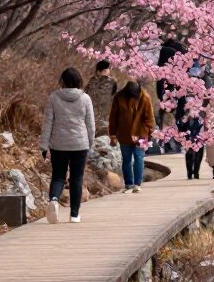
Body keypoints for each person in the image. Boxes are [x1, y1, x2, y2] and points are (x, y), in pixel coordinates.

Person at [41, 67, 96, 223]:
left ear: (62, 81)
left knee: (58, 176)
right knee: (76, 178)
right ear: (79, 81)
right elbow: (91, 125)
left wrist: (44, 145)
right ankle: (74, 214)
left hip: (58, 144)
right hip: (80, 144)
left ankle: (53, 199)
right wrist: (89, 142)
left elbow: (47, 123)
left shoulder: (53, 98)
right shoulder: (85, 98)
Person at [108, 79, 156, 193]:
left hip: (142, 134)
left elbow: (150, 117)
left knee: (139, 157)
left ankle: (137, 184)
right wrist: (113, 134)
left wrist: (149, 132)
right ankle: (129, 184)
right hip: (124, 133)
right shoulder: (119, 98)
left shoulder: (145, 98)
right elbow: (113, 117)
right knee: (127, 159)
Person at [87, 59, 118, 136]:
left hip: (95, 117)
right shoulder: (112, 82)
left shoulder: (92, 81)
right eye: (108, 69)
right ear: (103, 70)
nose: (109, 70)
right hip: (102, 117)